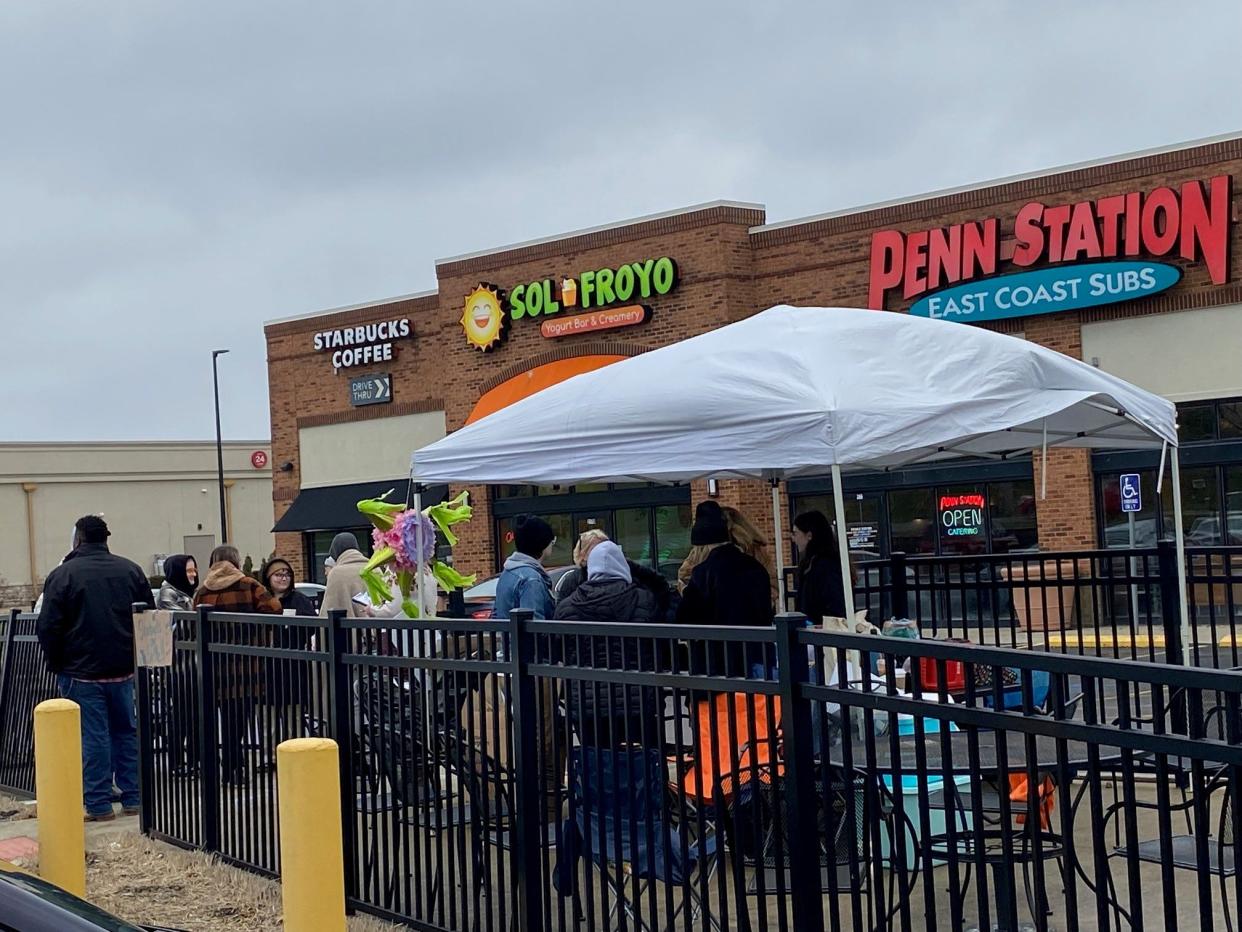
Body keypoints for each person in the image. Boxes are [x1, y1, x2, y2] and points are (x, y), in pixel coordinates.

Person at [36, 515, 151, 821]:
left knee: (93, 736)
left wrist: (57, 663)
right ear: (105, 538)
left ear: (79, 539)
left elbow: (48, 626)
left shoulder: (63, 575)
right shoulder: (131, 570)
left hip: (81, 672)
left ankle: (99, 804)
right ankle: (134, 798)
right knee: (126, 732)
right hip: (124, 669)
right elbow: (148, 619)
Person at [675, 502, 777, 804]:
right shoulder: (756, 568)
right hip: (757, 666)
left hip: (714, 675)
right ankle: (759, 803)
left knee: (717, 750)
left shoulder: (703, 574)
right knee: (757, 746)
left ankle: (726, 810)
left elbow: (684, 621)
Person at [555, 541, 662, 747]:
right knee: (644, 764)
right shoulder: (644, 600)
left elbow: (557, 649)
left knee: (596, 764)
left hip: (587, 703)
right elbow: (661, 635)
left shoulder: (567, 607)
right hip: (637, 699)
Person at [193, 545, 282, 785]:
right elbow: (274, 610)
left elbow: (194, 625)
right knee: (240, 719)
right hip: (247, 666)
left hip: (215, 666)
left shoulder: (202, 591)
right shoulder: (249, 585)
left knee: (224, 718)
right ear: (235, 561)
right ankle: (236, 766)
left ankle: (230, 765)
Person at [258, 558, 316, 761]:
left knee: (295, 719)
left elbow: (311, 626)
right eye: (278, 574)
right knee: (268, 720)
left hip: (293, 666)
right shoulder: (261, 599)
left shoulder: (299, 600)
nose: (283, 578)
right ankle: (269, 757)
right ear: (268, 577)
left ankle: (296, 756)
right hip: (266, 668)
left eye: (287, 574)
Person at [559, 529, 677, 623]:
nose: (604, 552)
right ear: (583, 554)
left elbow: (661, 590)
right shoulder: (573, 581)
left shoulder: (636, 581)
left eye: (607, 547)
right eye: (596, 548)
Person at [156, 554, 199, 776]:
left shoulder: (189, 593)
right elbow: (184, 622)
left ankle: (194, 759)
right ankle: (176, 762)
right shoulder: (168, 593)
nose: (193, 575)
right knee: (180, 715)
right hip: (178, 665)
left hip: (193, 664)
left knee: (194, 714)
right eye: (188, 571)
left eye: (194, 570)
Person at [492, 515, 556, 621]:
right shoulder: (532, 579)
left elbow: (497, 613)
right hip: (523, 637)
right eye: (551, 541)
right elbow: (535, 626)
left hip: (509, 636)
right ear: (542, 544)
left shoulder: (508, 571)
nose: (552, 545)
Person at [791, 511, 848, 624]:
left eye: (796, 533)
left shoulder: (826, 566)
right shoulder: (812, 563)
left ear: (809, 535)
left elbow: (835, 605)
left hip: (823, 631)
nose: (793, 539)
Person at [320, 532, 370, 618]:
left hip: (349, 629)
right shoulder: (374, 568)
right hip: (380, 628)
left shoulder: (336, 573)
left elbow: (328, 608)